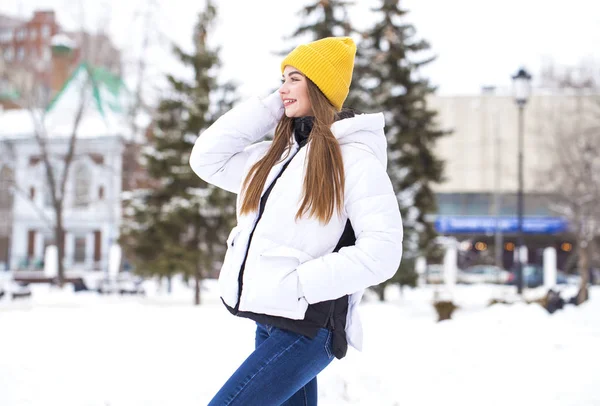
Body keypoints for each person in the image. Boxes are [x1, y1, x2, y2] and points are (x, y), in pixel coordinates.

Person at [190, 36, 403, 406]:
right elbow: (207, 158)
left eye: (294, 79)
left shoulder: (354, 160)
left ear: (319, 87)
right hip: (271, 320)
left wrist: (301, 283)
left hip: (309, 326)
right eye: (282, 79)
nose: (282, 88)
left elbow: (383, 251)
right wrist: (278, 105)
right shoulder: (275, 159)